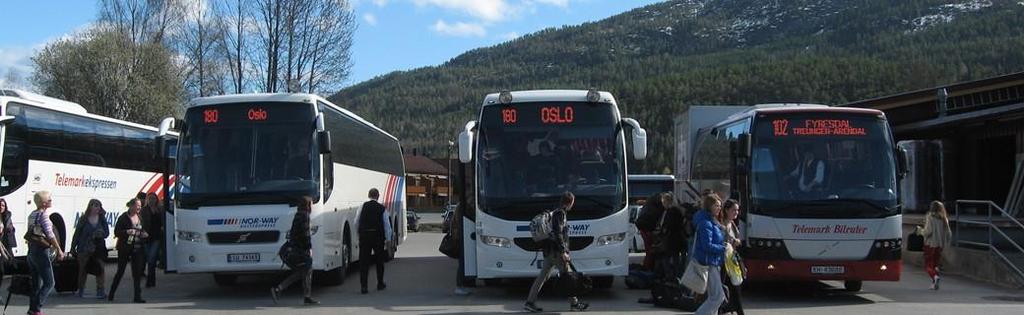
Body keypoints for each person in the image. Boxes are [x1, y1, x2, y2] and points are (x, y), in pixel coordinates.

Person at [524, 192, 589, 313]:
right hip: (557, 253)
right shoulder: (560, 214)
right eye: (572, 203)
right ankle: (574, 304)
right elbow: (558, 233)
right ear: (570, 202)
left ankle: (530, 302)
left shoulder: (555, 212)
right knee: (568, 277)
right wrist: (564, 251)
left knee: (542, 277)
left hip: (549, 252)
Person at [271, 196, 318, 305]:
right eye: (311, 204)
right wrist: (309, 248)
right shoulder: (304, 216)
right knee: (306, 269)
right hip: (300, 250)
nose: (312, 206)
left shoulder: (298, 215)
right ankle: (305, 296)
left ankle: (280, 289)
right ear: (307, 205)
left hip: (294, 248)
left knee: (302, 272)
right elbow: (306, 234)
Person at [25, 191, 66, 315]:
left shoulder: (32, 214)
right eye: (49, 199)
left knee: (36, 283)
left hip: (32, 250)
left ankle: (32, 310)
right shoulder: (43, 215)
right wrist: (59, 249)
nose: (51, 201)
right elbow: (50, 234)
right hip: (41, 251)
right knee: (49, 282)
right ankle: (36, 308)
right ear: (44, 203)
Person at [108, 198, 148, 303]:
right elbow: (117, 232)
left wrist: (143, 234)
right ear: (131, 206)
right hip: (125, 248)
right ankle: (111, 293)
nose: (139, 207)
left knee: (137, 273)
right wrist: (127, 232)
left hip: (137, 248)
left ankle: (137, 296)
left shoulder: (140, 217)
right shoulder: (123, 218)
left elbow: (142, 230)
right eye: (137, 205)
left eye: (140, 205)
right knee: (120, 271)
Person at [692, 194, 726, 315]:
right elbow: (707, 245)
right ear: (709, 206)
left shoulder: (709, 221)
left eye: (720, 206)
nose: (719, 208)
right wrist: (723, 248)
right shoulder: (706, 223)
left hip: (713, 261)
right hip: (709, 262)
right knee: (718, 297)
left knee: (713, 296)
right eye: (716, 205)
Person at [70, 199, 109, 299]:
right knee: (83, 269)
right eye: (95, 205)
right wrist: (73, 247)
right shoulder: (84, 219)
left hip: (98, 248)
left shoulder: (101, 219)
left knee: (100, 269)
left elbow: (107, 233)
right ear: (90, 207)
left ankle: (100, 290)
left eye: (99, 206)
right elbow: (77, 234)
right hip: (84, 248)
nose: (97, 208)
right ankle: (81, 290)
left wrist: (100, 233)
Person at [358, 188, 392, 294]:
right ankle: (380, 283)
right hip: (378, 237)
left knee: (364, 262)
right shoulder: (382, 208)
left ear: (369, 195)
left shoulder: (362, 206)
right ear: (378, 196)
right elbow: (387, 225)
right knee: (379, 261)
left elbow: (356, 221)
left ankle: (364, 286)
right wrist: (388, 239)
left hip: (365, 237)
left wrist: (359, 234)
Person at [719, 199, 745, 315]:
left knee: (736, 288)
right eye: (734, 210)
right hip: (723, 262)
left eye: (737, 210)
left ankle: (727, 310)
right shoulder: (722, 224)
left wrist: (736, 241)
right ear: (726, 210)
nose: (736, 212)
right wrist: (732, 242)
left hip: (732, 261)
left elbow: (736, 239)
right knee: (725, 290)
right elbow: (721, 241)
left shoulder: (732, 223)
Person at [922, 200, 952, 290]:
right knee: (935, 264)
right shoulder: (944, 218)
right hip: (940, 245)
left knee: (928, 265)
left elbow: (928, 231)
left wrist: (920, 231)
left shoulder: (930, 217)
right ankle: (934, 283)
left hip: (930, 244)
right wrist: (946, 243)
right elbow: (949, 233)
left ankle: (935, 277)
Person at [634, 192, 666, 270]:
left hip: (643, 227)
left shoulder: (649, 204)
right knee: (652, 250)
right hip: (648, 228)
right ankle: (649, 268)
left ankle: (647, 267)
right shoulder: (658, 207)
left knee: (649, 250)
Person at [141, 193, 163, 288]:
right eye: (150, 199)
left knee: (152, 259)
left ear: (156, 200)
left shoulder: (160, 210)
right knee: (149, 259)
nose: (152, 200)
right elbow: (140, 222)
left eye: (153, 198)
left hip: (156, 237)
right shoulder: (144, 210)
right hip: (146, 237)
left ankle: (150, 281)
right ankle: (151, 280)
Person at [0, 198, 15, 287]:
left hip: (4, 244)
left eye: (3, 205)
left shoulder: (7, 216)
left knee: (3, 269)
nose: (1, 207)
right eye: (0, 205)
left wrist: (8, 229)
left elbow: (11, 229)